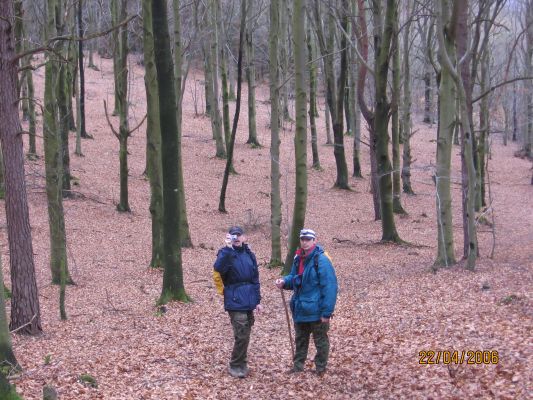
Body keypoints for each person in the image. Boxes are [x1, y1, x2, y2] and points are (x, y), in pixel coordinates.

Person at [275, 229, 338, 376]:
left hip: (317, 310)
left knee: (320, 341)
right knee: (300, 340)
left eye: (308, 239)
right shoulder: (298, 259)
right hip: (300, 308)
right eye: (303, 239)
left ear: (314, 241)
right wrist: (284, 281)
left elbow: (330, 287)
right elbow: (295, 278)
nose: (305, 242)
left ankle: (320, 368)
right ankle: (298, 367)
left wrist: (327, 312)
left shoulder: (322, 260)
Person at [214, 226, 263, 378]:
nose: (236, 238)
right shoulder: (225, 253)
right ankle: (235, 365)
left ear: (244, 237)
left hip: (249, 298)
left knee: (246, 334)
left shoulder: (249, 254)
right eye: (233, 235)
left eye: (239, 235)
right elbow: (218, 268)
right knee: (241, 334)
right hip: (234, 299)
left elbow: (255, 279)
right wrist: (228, 249)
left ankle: (242, 363)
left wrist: (257, 301)